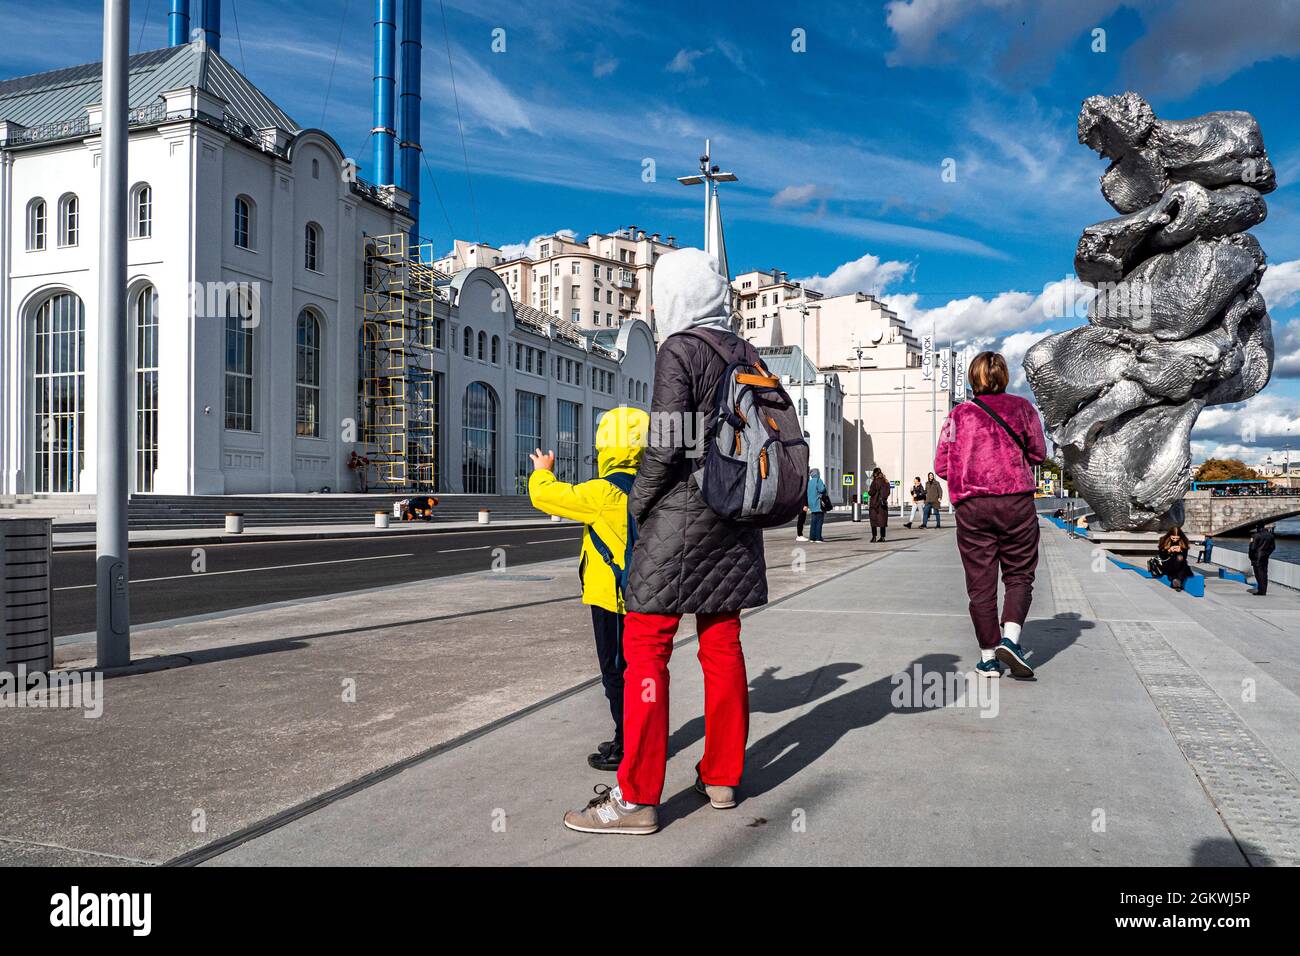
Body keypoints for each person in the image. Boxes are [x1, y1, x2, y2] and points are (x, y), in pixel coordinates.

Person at [563, 248, 765, 836]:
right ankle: (723, 777)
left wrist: (637, 503)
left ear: (676, 296)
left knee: (646, 646)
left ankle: (637, 797)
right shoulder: (744, 352)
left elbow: (667, 441)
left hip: (680, 518)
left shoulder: (681, 348)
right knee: (722, 643)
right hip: (735, 518)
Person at [529, 406, 650, 772]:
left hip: (611, 597)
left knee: (616, 671)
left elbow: (548, 498)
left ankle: (627, 745)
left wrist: (542, 474)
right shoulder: (651, 488)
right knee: (640, 671)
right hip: (648, 594)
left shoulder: (602, 492)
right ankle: (634, 736)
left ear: (605, 446)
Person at [935, 351, 1046, 679]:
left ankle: (988, 658)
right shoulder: (1023, 409)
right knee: (1019, 574)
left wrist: (966, 471)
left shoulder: (958, 416)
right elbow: (1039, 453)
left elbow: (941, 465)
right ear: (1004, 377)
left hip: (972, 508)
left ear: (973, 379)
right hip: (1015, 503)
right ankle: (1010, 640)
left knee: (980, 585)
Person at [1156, 527, 1193, 592]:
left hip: (1180, 563)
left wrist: (1181, 551)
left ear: (1180, 537)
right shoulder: (1163, 540)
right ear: (1169, 535)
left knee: (1180, 559)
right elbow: (1161, 556)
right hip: (1168, 563)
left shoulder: (1184, 541)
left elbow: (1185, 556)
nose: (1175, 540)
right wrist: (1169, 550)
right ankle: (1177, 581)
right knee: (1183, 567)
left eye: (1177, 538)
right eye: (1173, 538)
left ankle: (1176, 581)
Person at [1249, 523, 1276, 596]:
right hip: (1265, 557)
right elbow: (1273, 547)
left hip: (1256, 557)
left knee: (1258, 574)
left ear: (1258, 528)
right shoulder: (1271, 535)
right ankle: (1264, 590)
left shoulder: (1255, 536)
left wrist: (1251, 557)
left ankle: (1261, 591)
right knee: (1264, 573)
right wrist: (1267, 553)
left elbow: (1252, 548)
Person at [868, 467, 890, 542]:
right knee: (882, 521)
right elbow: (888, 493)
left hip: (875, 504)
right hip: (883, 504)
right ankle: (882, 537)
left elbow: (871, 492)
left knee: (873, 521)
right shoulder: (886, 481)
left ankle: (874, 537)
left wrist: (869, 491)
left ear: (874, 474)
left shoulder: (875, 481)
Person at [806, 468, 827, 542]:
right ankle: (818, 538)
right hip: (818, 504)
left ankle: (812, 538)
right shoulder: (819, 480)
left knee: (813, 521)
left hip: (811, 504)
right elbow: (821, 490)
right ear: (817, 473)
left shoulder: (809, 482)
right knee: (819, 522)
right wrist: (824, 487)